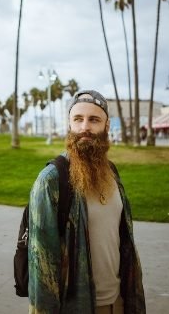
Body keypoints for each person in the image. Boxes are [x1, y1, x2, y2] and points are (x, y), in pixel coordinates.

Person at [28, 90, 146, 314]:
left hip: (120, 301)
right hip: (78, 306)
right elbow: (41, 266)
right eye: (78, 119)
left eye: (94, 119)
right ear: (70, 124)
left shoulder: (111, 172)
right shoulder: (51, 180)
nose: (85, 127)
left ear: (107, 125)